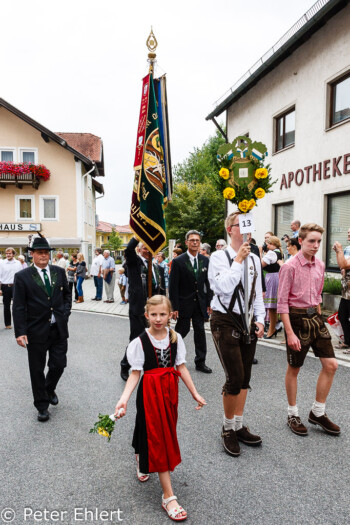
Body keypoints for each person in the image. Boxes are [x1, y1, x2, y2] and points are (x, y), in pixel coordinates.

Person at [114, 295, 206, 522]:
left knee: (155, 432)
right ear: (146, 315)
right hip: (149, 393)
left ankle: (140, 456)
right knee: (159, 437)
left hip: (169, 393)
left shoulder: (176, 339)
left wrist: (194, 392)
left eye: (163, 314)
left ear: (171, 315)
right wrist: (123, 398)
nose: (158, 319)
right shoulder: (139, 342)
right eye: (153, 315)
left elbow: (181, 367)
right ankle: (168, 497)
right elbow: (135, 373)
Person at [208, 212, 265, 457]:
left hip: (247, 321)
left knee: (245, 378)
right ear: (230, 229)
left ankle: (239, 425)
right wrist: (238, 260)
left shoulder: (254, 259)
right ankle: (228, 427)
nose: (246, 231)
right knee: (234, 377)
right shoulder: (218, 257)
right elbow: (222, 287)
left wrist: (261, 319)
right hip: (225, 320)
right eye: (241, 226)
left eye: (248, 226)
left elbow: (257, 293)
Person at [277, 223, 340, 437]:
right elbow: (282, 303)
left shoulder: (321, 265)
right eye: (312, 241)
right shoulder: (289, 266)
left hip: (315, 317)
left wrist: (321, 318)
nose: (316, 245)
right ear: (301, 241)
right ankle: (292, 413)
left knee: (331, 365)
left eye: (319, 242)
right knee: (294, 368)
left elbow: (319, 295)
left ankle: (317, 412)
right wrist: (289, 333)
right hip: (295, 318)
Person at [12, 235, 71, 422]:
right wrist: (20, 332)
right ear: (32, 255)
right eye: (39, 253)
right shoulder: (22, 277)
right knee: (36, 369)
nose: (43, 256)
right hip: (35, 331)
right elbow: (19, 306)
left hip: (58, 329)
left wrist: (64, 313)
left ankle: (49, 387)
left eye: (46, 252)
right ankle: (42, 406)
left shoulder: (58, 272)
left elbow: (67, 296)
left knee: (59, 364)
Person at [120, 237, 164, 380]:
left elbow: (160, 287)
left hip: (153, 310)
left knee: (152, 338)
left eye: (149, 249)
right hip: (138, 307)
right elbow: (128, 250)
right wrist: (136, 237)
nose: (147, 251)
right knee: (136, 338)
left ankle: (150, 366)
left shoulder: (156, 266)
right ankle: (125, 365)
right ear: (139, 250)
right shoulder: (134, 263)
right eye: (144, 248)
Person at [169, 230, 213, 373]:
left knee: (200, 331)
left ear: (200, 243)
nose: (195, 242)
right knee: (181, 331)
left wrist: (209, 302)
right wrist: (174, 306)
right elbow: (173, 285)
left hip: (200, 303)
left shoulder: (205, 260)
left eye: (197, 240)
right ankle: (170, 357)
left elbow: (209, 283)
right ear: (187, 242)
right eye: (192, 240)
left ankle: (201, 362)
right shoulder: (178, 261)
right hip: (184, 303)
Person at [261, 236, 283, 339]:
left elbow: (261, 264)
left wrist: (261, 252)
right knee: (272, 307)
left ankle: (272, 329)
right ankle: (272, 328)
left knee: (271, 307)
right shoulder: (279, 252)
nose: (267, 245)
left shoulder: (272, 253)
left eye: (268, 243)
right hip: (275, 276)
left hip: (272, 278)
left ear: (273, 244)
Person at [333, 239, 350, 353]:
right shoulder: (348, 249)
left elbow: (344, 264)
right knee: (342, 315)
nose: (348, 234)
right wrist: (338, 252)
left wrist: (339, 250)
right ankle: (347, 342)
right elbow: (342, 265)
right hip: (347, 289)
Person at [0, 247, 22, 329]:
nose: (8, 255)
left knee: (17, 306)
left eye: (9, 253)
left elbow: (21, 276)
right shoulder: (2, 263)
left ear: (13, 254)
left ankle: (18, 323)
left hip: (16, 286)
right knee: (6, 306)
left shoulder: (18, 263)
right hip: (5, 287)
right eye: (6, 253)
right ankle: (8, 324)